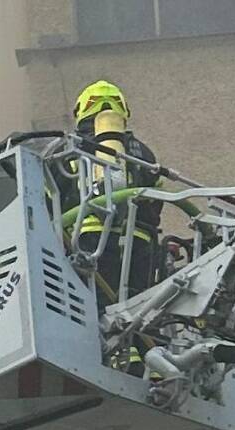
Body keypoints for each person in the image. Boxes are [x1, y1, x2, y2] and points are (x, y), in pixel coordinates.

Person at [57, 80, 165, 308]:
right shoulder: (143, 153)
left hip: (88, 240)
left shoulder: (68, 149)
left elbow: (47, 200)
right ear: (123, 110)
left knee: (93, 308)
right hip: (139, 242)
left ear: (81, 110)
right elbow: (156, 201)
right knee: (138, 309)